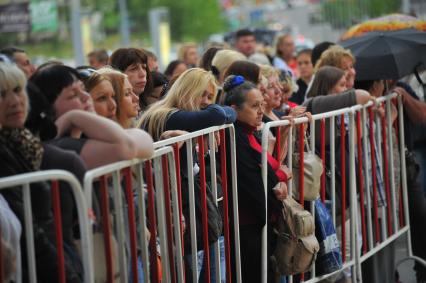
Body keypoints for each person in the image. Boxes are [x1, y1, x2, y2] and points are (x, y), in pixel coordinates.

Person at [139, 68, 236, 282]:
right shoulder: (170, 117)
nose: (207, 102)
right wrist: (216, 113)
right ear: (187, 91)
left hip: (185, 205)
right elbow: (221, 114)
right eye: (203, 94)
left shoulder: (168, 113)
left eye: (211, 97)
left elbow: (228, 113)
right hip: (176, 208)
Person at [0, 62, 84, 282]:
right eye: (1, 94)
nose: (14, 101)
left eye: (18, 90)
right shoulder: (6, 151)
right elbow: (29, 230)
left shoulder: (22, 144)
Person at [223, 75, 288, 283]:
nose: (261, 111)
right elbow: (255, 182)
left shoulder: (251, 133)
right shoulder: (235, 138)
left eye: (261, 104)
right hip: (248, 228)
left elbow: (267, 170)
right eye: (254, 106)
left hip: (261, 223)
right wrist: (281, 177)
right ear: (234, 109)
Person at [26, 64, 153, 169]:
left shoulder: (82, 137)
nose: (86, 97)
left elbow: (145, 141)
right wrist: (73, 116)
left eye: (83, 89)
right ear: (48, 108)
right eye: (73, 95)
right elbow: (129, 147)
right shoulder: (60, 145)